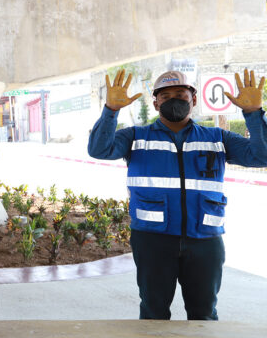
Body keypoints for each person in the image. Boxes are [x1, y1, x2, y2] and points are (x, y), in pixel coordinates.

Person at [88, 69, 267, 320]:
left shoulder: (217, 137)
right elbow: (99, 149)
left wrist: (253, 114)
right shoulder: (136, 137)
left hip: (205, 240)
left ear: (193, 100)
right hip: (153, 240)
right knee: (153, 312)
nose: (174, 99)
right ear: (155, 103)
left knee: (204, 314)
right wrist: (110, 110)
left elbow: (262, 156)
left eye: (181, 94)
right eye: (166, 95)